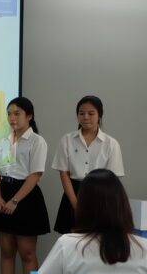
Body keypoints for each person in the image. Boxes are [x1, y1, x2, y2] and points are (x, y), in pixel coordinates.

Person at [0, 97, 50, 274]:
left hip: (26, 197)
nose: (12, 118)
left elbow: (35, 175)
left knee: (27, 252)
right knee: (6, 251)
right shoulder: (4, 141)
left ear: (29, 116)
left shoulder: (37, 141)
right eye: (9, 114)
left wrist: (15, 201)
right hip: (3, 194)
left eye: (17, 113)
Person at [52, 95, 124, 234]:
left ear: (99, 115)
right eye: (81, 113)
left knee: (97, 240)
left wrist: (98, 205)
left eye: (91, 113)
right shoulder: (67, 140)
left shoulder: (111, 144)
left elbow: (112, 179)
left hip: (101, 195)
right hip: (72, 193)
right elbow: (64, 173)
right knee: (70, 240)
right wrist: (75, 204)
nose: (85, 117)